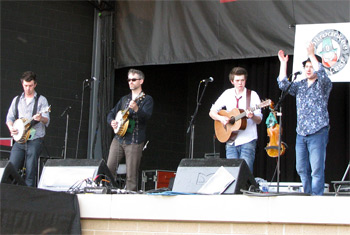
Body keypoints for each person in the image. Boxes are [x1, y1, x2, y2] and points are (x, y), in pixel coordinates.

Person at [277, 43, 332, 195]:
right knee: (301, 167)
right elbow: (283, 84)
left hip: (318, 131)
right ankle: (307, 194)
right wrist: (283, 64)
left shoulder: (323, 84)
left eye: (311, 66)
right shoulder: (300, 85)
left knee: (316, 168)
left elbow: (322, 73)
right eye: (306, 66)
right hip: (301, 133)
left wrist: (312, 55)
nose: (308, 69)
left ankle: (316, 197)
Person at [107, 69, 153, 191]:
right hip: (119, 138)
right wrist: (112, 121)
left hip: (134, 140)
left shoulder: (146, 99)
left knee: (131, 175)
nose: (130, 82)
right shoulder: (124, 99)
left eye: (134, 79)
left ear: (141, 81)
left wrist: (137, 109)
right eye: (129, 80)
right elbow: (111, 113)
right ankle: (108, 194)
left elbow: (146, 117)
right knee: (109, 169)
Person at [209, 67, 263, 173]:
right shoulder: (227, 94)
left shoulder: (252, 95)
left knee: (245, 172)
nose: (240, 83)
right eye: (237, 81)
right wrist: (221, 118)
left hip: (248, 140)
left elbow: (259, 120)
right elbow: (212, 112)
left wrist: (252, 116)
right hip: (230, 141)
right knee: (231, 173)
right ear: (232, 81)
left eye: (242, 80)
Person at [6, 71, 50, 187]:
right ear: (22, 84)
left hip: (35, 139)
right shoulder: (17, 100)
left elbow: (47, 120)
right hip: (19, 140)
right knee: (12, 167)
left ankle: (27, 197)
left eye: (30, 86)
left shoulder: (42, 100)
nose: (28, 88)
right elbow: (9, 118)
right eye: (25, 86)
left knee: (30, 171)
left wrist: (40, 118)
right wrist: (11, 128)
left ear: (35, 84)